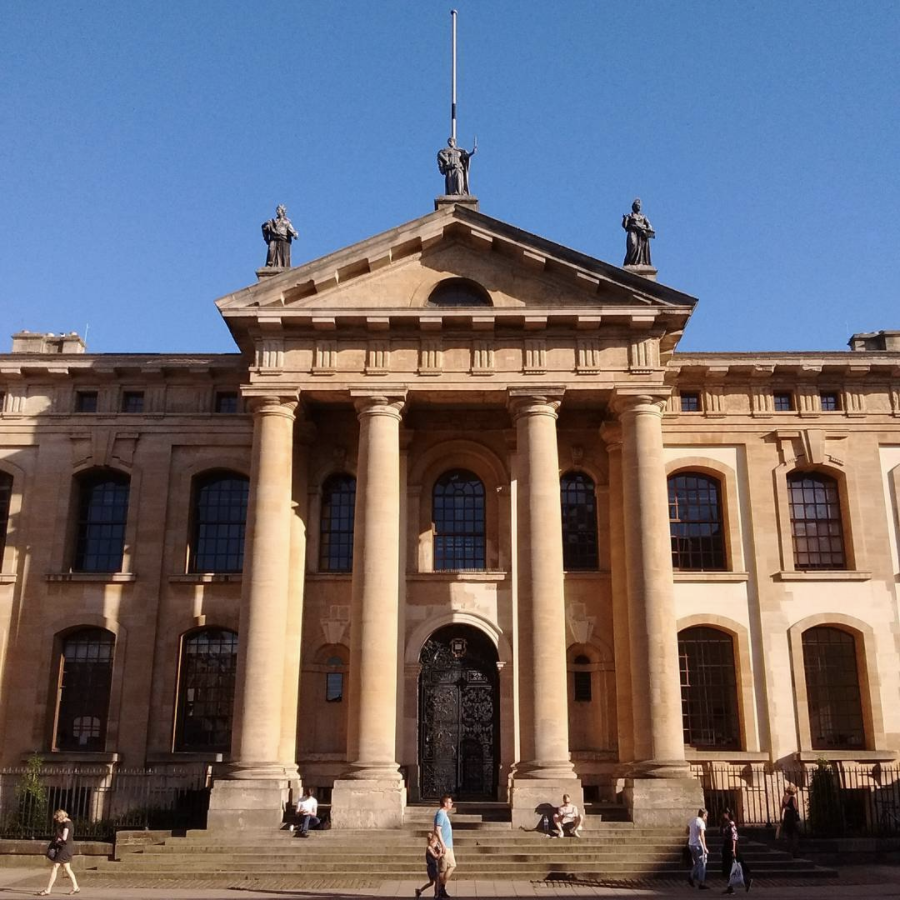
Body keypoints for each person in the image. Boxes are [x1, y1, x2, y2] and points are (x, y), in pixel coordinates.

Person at [39, 808, 79, 895]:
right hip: (67, 847)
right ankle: (75, 887)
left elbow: (64, 838)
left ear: (60, 817)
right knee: (67, 868)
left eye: (57, 819)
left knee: (55, 867)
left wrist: (57, 837)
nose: (57, 821)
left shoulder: (66, 825)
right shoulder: (69, 822)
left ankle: (48, 890)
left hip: (64, 848)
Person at [721, 809, 752, 894]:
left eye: (725, 813)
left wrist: (733, 849)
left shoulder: (731, 823)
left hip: (731, 846)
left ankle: (746, 881)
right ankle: (730, 887)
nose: (723, 815)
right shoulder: (725, 824)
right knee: (728, 867)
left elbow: (734, 837)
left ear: (727, 814)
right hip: (727, 845)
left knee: (735, 865)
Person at [262, 204, 299, 268]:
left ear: (282, 211)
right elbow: (264, 228)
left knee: (283, 256)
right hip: (273, 239)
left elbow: (291, 230)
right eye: (277, 209)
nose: (277, 211)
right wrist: (266, 229)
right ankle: (270, 265)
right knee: (271, 251)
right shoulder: (272, 221)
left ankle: (283, 266)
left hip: (283, 239)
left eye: (279, 209)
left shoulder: (286, 222)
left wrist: (295, 234)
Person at [433, 794, 456, 899]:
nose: (452, 804)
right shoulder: (441, 814)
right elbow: (438, 830)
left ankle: (442, 887)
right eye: (450, 802)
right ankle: (439, 891)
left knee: (452, 865)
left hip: (448, 845)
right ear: (445, 803)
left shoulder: (444, 814)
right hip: (444, 846)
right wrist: (442, 844)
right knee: (442, 870)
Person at [621, 197, 655, 266]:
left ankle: (638, 262)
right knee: (633, 244)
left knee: (640, 248)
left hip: (641, 234)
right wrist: (625, 219)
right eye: (637, 206)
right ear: (634, 207)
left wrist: (648, 229)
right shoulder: (630, 215)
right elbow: (625, 226)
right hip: (632, 231)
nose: (638, 207)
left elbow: (649, 225)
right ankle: (630, 262)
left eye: (639, 206)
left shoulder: (643, 216)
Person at [414, 830, 443, 898]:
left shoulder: (432, 848)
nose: (437, 844)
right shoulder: (429, 848)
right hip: (432, 867)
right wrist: (441, 853)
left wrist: (438, 850)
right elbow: (436, 857)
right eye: (436, 842)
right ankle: (436, 895)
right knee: (437, 881)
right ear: (432, 841)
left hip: (433, 866)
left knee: (431, 882)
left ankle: (419, 891)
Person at [687, 807, 710, 889]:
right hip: (698, 845)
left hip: (691, 844)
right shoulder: (701, 823)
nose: (706, 818)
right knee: (702, 863)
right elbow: (702, 835)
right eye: (706, 816)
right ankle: (701, 882)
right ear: (703, 815)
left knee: (697, 863)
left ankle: (691, 876)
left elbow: (687, 830)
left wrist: (691, 835)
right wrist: (705, 847)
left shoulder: (692, 820)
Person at [780, 785, 800, 857]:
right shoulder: (793, 798)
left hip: (786, 815)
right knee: (794, 834)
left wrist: (781, 817)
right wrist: (798, 818)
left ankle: (788, 851)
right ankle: (795, 852)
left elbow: (782, 807)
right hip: (792, 816)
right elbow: (795, 808)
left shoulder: (784, 797)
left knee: (788, 834)